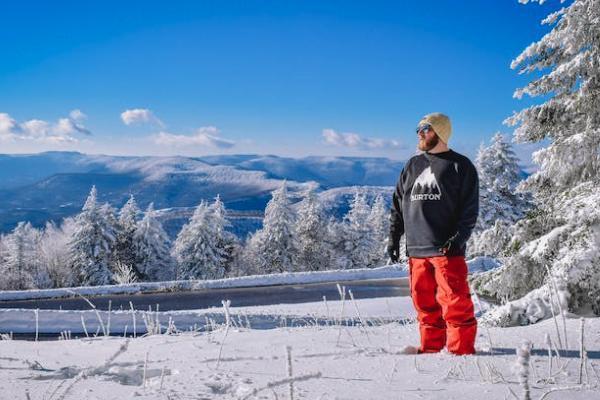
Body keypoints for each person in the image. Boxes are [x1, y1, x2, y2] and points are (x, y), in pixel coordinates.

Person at [387, 112, 479, 355]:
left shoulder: (460, 165)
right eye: (418, 128)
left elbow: (470, 210)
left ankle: (461, 354)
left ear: (440, 132)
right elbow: (398, 205)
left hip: (446, 250)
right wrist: (394, 238)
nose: (420, 133)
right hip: (417, 250)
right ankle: (430, 350)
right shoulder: (412, 165)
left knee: (456, 303)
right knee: (424, 304)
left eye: (426, 128)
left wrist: (457, 239)